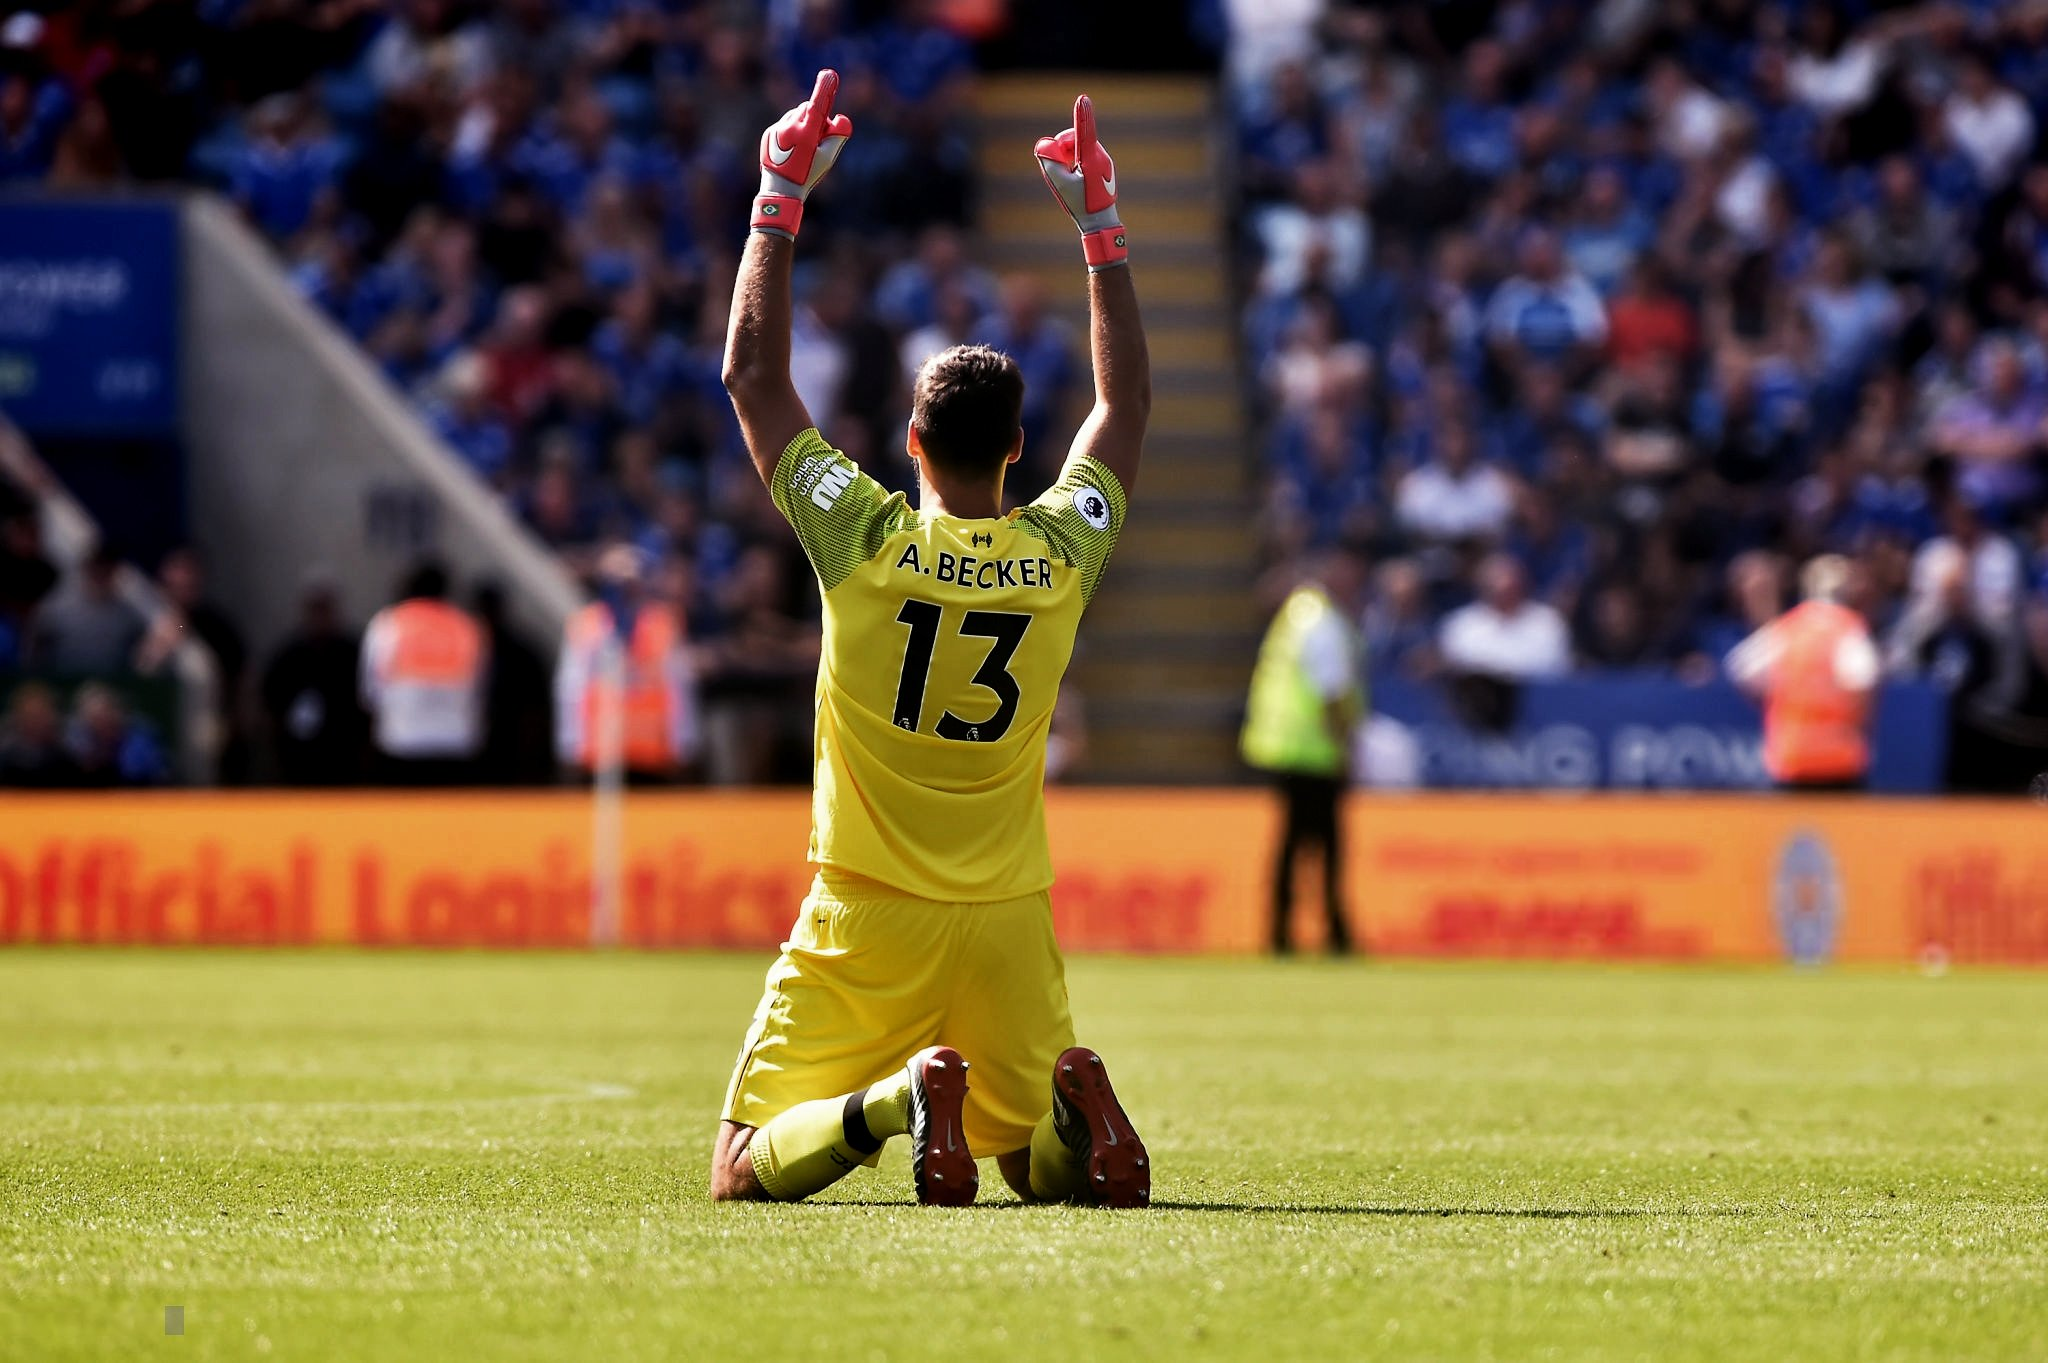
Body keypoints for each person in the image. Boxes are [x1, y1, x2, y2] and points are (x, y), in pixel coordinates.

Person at [711, 76, 1151, 1209]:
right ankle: (1074, 1109)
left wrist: (776, 195)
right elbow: (1124, 410)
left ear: (909, 439)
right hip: (1006, 911)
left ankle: (900, 1099)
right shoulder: (1058, 557)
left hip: (865, 902)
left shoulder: (861, 536)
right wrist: (1098, 230)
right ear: (1017, 450)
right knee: (1029, 1168)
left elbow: (752, 380)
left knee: (738, 1166)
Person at [1240, 550, 1366, 956]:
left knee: (1293, 844)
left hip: (1287, 746)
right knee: (1324, 847)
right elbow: (1331, 692)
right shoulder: (1323, 623)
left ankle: (1281, 930)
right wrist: (1344, 743)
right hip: (1315, 750)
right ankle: (1333, 932)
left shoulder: (1297, 615)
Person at [1727, 554, 1880, 792]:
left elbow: (1741, 667)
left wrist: (1774, 696)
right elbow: (1862, 680)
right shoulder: (1848, 630)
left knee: (1794, 829)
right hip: (1839, 760)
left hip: (1793, 756)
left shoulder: (1788, 629)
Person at [555, 544, 695, 782]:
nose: (625, 589)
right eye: (618, 581)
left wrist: (683, 742)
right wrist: (570, 742)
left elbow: (678, 686)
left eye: (631, 580)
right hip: (601, 751)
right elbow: (571, 687)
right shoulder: (587, 625)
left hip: (650, 753)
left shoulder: (662, 623)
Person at [358, 560, 488, 784]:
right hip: (455, 741)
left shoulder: (390, 624)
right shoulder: (466, 626)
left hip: (402, 740)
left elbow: (370, 691)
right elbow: (480, 689)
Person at [261, 578, 365, 786]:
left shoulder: (352, 653)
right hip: (298, 763)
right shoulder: (289, 656)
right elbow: (269, 704)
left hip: (344, 762)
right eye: (315, 608)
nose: (320, 616)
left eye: (325, 608)